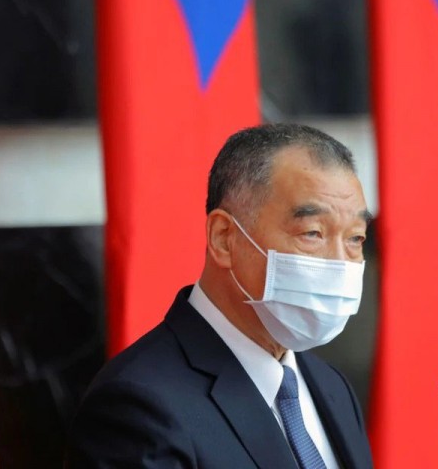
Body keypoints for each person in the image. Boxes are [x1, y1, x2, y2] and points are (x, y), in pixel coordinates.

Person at [66, 123, 375, 468]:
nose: (338, 263)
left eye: (355, 239)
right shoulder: (138, 406)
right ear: (224, 238)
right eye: (313, 233)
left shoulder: (330, 387)